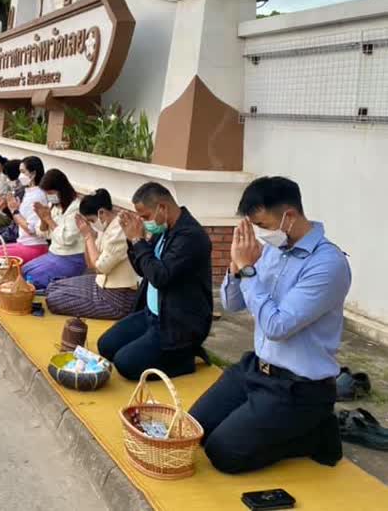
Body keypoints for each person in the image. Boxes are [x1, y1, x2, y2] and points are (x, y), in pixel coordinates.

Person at [189, 176, 350, 474]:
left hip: (299, 388)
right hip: (257, 368)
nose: (261, 234)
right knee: (194, 428)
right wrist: (235, 266)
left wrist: (249, 271)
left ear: (288, 216)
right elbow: (233, 304)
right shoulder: (275, 250)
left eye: (263, 225)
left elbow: (277, 326)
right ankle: (269, 423)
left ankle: (313, 434)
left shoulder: (328, 265)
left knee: (223, 453)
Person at [96, 182, 212, 381]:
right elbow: (144, 269)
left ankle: (183, 358)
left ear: (162, 208)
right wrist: (131, 240)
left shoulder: (191, 237)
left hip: (176, 324)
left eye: (145, 216)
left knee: (125, 364)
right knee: (106, 346)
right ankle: (157, 350)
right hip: (152, 314)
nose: (143, 222)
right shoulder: (164, 230)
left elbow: (160, 277)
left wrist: (138, 241)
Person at [46, 189, 139, 319]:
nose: (90, 224)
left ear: (101, 213)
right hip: (100, 284)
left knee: (54, 300)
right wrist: (87, 237)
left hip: (117, 299)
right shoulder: (105, 225)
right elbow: (90, 264)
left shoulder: (119, 232)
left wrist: (89, 236)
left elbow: (100, 267)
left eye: (90, 220)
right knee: (52, 287)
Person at [20, 169, 84, 289]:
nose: (49, 196)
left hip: (71, 258)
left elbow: (66, 239)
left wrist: (48, 219)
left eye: (50, 192)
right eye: (46, 193)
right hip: (54, 253)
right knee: (24, 270)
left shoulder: (76, 208)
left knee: (33, 278)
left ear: (61, 189)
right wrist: (43, 219)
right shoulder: (54, 206)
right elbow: (43, 234)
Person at [0, 156, 49, 264]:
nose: (20, 176)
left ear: (33, 174)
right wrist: (15, 209)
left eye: (23, 172)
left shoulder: (37, 196)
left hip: (33, 245)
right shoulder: (28, 191)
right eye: (20, 172)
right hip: (22, 241)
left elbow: (31, 229)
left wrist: (14, 210)